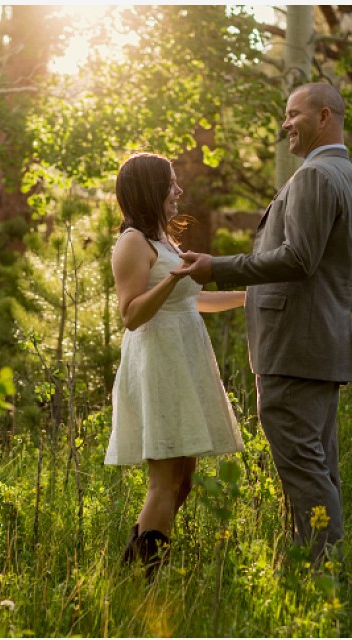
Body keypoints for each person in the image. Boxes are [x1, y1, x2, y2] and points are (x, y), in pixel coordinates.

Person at [172, 83, 352, 565]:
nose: (285, 123)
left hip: (292, 347)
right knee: (317, 464)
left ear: (324, 116)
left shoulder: (313, 178)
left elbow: (299, 258)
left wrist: (216, 266)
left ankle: (318, 572)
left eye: (293, 114)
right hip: (326, 346)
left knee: (304, 466)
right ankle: (316, 565)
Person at [105, 152, 246, 578]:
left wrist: (251, 297)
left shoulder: (164, 240)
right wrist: (171, 278)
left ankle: (138, 557)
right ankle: (144, 576)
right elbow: (130, 315)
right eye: (171, 183)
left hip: (184, 360)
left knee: (184, 478)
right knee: (165, 480)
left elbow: (194, 301)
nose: (179, 190)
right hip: (158, 364)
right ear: (150, 189)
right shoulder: (133, 242)